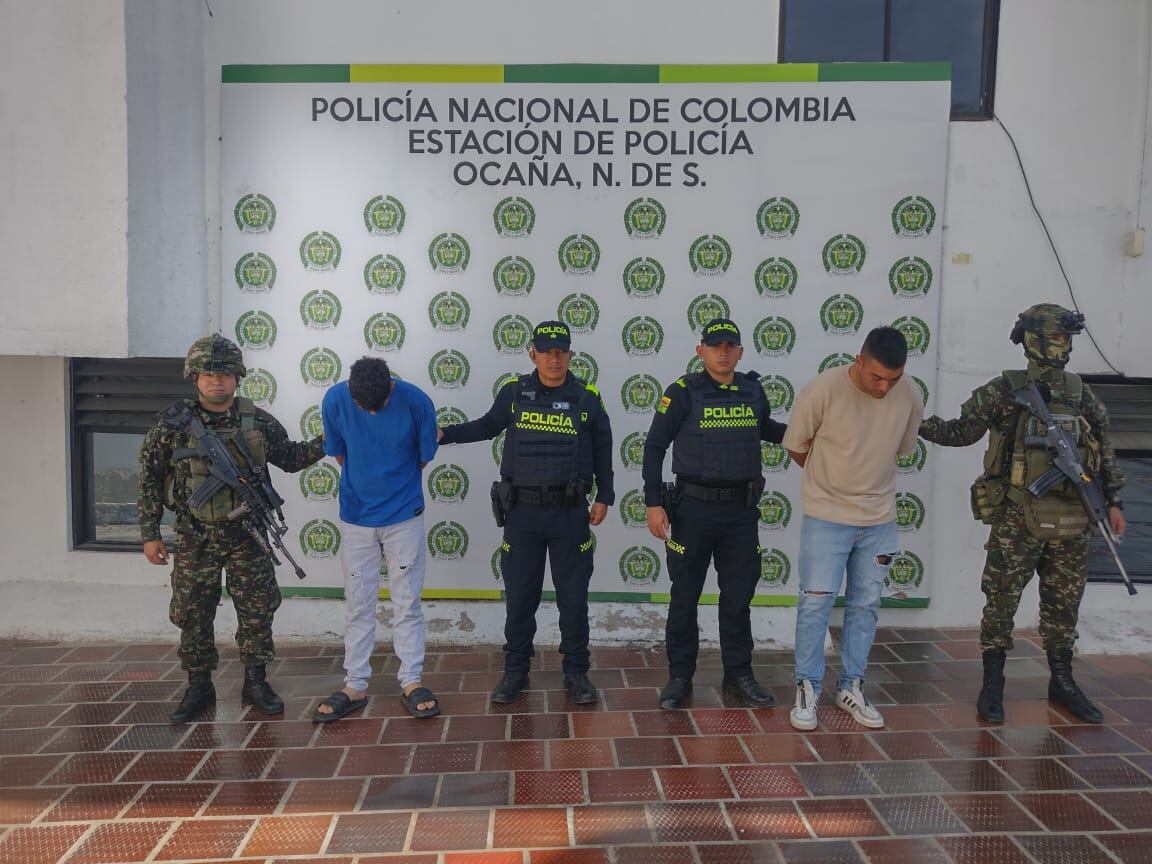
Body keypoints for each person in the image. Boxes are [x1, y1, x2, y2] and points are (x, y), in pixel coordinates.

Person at [919, 303, 1125, 724]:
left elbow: (1103, 449)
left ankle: (1062, 680)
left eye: (1067, 339)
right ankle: (993, 681)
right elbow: (961, 431)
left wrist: (1114, 501)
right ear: (1033, 340)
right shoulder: (1007, 389)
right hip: (1017, 515)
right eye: (1056, 337)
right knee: (1001, 599)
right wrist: (913, 423)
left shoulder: (1079, 392)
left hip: (1071, 518)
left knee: (1063, 603)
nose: (1063, 346)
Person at [138, 334, 325, 724]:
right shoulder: (173, 425)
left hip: (248, 536)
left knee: (257, 610)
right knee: (192, 611)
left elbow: (290, 459)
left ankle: (255, 682)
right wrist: (150, 532)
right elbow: (151, 478)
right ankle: (198, 685)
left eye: (223, 373)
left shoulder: (257, 421)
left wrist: (331, 441)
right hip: (196, 536)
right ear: (194, 377)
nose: (216, 381)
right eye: (207, 373)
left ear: (237, 377)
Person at [438, 321, 614, 705]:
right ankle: (515, 671)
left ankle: (577, 673)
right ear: (532, 352)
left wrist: (607, 495)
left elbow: (603, 445)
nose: (554, 358)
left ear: (570, 354)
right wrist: (443, 434)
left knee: (573, 597)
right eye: (546, 350)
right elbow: (486, 427)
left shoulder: (587, 396)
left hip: (570, 514)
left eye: (561, 350)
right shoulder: (515, 393)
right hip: (523, 513)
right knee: (520, 597)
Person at [783, 326, 924, 731]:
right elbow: (796, 445)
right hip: (826, 516)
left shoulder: (910, 393)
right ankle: (807, 687)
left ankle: (852, 687)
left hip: (880, 520)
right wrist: (829, 484)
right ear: (858, 361)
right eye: (876, 377)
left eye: (892, 380)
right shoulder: (822, 390)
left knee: (866, 604)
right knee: (816, 603)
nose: (884, 388)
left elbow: (902, 448)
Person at [643, 318, 787, 710]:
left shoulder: (753, 390)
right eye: (714, 345)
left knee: (738, 598)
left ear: (740, 351)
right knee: (685, 596)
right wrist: (653, 503)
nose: (722, 352)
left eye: (729, 345)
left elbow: (769, 430)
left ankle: (739, 675)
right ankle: (679, 678)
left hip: (740, 513)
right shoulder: (683, 392)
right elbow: (654, 446)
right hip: (693, 511)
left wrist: (811, 431)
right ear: (700, 350)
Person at [314, 356, 440, 722]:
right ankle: (354, 684)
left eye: (379, 406)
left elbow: (423, 456)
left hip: (404, 518)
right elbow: (339, 452)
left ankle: (412, 681)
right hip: (356, 518)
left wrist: (391, 487)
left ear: (391, 387)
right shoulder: (336, 400)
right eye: (362, 407)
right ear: (351, 394)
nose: (371, 413)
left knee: (407, 601)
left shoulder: (416, 401)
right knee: (358, 602)